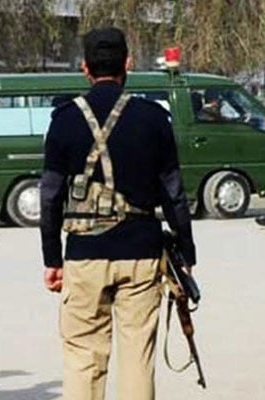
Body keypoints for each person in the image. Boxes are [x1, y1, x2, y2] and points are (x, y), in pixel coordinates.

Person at [40, 27, 196, 400]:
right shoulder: (153, 118)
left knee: (83, 358)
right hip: (141, 253)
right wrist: (187, 254)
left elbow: (50, 196)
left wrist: (52, 258)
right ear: (128, 63)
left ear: (85, 68)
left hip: (83, 255)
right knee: (137, 358)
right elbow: (174, 192)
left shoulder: (63, 120)